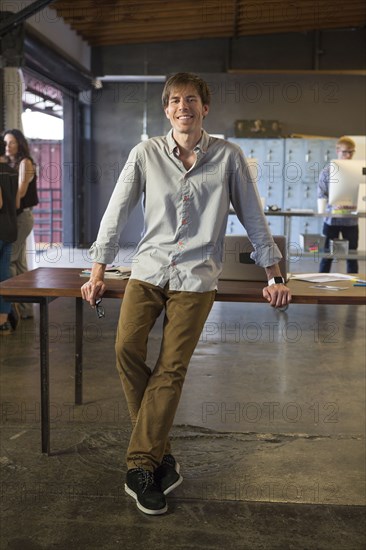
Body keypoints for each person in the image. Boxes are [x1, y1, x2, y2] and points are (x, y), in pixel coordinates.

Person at [81, 72, 291, 516]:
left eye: (191, 99)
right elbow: (115, 211)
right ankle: (163, 456)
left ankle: (140, 465)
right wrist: (97, 270)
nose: (183, 107)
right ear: (166, 109)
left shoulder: (230, 157)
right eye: (174, 100)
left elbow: (254, 218)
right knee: (125, 349)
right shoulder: (145, 154)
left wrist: (274, 277)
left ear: (205, 107)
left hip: (196, 278)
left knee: (171, 368)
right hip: (148, 270)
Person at [3, 129, 38, 318]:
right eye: (6, 143)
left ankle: (11, 308)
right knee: (21, 263)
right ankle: (25, 309)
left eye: (12, 142)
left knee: (9, 260)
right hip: (16, 217)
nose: (8, 146)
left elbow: (20, 195)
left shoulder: (25, 163)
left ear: (20, 144)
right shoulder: (12, 164)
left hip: (21, 217)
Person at [318, 136, 358, 273]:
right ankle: (320, 284)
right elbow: (321, 195)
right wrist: (333, 205)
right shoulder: (327, 171)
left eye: (351, 152)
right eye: (345, 152)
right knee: (327, 255)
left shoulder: (358, 171)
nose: (348, 155)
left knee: (352, 256)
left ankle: (355, 287)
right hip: (332, 219)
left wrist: (356, 204)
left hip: (351, 220)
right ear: (337, 151)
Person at [0, 137, 20, 334]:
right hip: (10, 228)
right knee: (4, 274)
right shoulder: (13, 171)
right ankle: (4, 318)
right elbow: (16, 203)